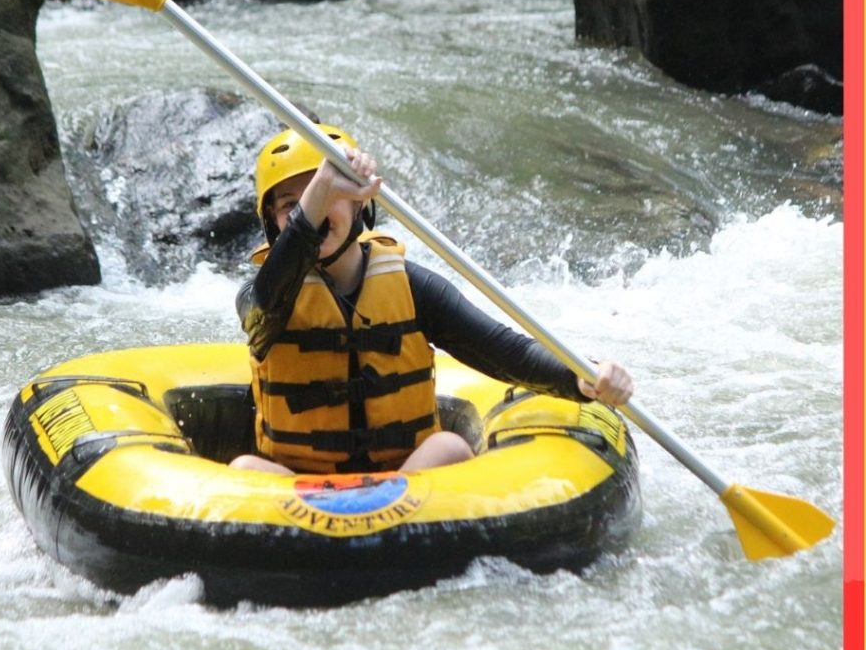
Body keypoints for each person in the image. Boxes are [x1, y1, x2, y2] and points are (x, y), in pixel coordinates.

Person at [231, 125, 634, 476]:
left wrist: (581, 377)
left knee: (450, 449)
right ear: (273, 223)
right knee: (245, 469)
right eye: (291, 205)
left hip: (409, 481)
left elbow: (503, 351)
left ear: (360, 202)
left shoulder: (412, 287)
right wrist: (320, 192)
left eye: (330, 195)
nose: (313, 213)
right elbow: (266, 307)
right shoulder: (259, 296)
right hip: (295, 489)